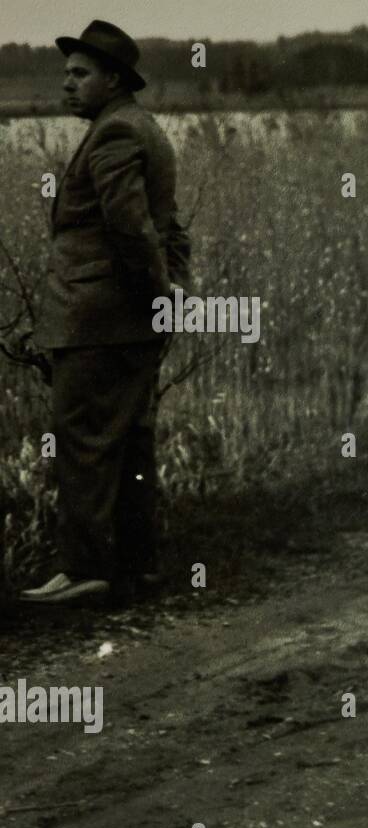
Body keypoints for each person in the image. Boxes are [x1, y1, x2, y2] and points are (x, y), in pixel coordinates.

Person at [21, 20, 191, 606]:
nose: (67, 84)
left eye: (80, 74)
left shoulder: (117, 134)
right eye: (66, 73)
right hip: (125, 321)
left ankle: (85, 569)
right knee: (130, 444)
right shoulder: (137, 128)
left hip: (97, 320)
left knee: (85, 443)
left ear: (113, 79)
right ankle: (138, 570)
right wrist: (171, 295)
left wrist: (157, 295)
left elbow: (132, 227)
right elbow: (167, 228)